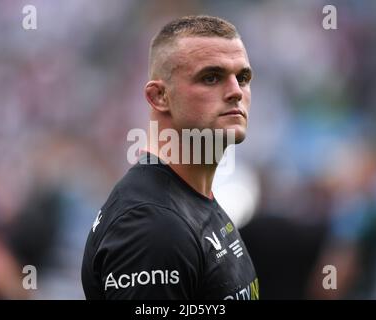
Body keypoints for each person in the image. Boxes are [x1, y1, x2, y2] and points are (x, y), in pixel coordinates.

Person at [81, 15, 258, 300]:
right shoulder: (152, 226)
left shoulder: (193, 199)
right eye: (211, 77)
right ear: (159, 96)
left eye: (243, 77)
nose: (236, 92)